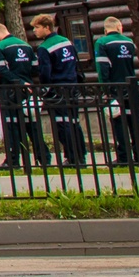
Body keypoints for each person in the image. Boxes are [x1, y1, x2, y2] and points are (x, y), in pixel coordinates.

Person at [0, 20, 48, 168]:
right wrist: (26, 82)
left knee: (11, 125)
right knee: (32, 124)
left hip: (9, 90)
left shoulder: (0, 47)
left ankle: (13, 159)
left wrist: (17, 82)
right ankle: (43, 157)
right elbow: (35, 67)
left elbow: (2, 70)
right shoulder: (26, 45)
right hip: (27, 90)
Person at [32, 14, 87, 165]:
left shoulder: (44, 48)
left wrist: (45, 90)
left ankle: (71, 157)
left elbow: (45, 73)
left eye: (37, 27)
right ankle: (81, 155)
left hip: (57, 89)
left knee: (62, 124)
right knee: (75, 122)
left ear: (47, 27)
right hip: (72, 86)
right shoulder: (67, 41)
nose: (34, 31)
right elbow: (76, 63)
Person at [93, 15, 139, 166]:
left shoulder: (102, 43)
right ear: (119, 27)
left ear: (105, 29)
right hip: (130, 86)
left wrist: (106, 89)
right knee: (133, 122)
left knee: (118, 122)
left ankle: (123, 157)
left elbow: (103, 69)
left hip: (115, 88)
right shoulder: (129, 42)